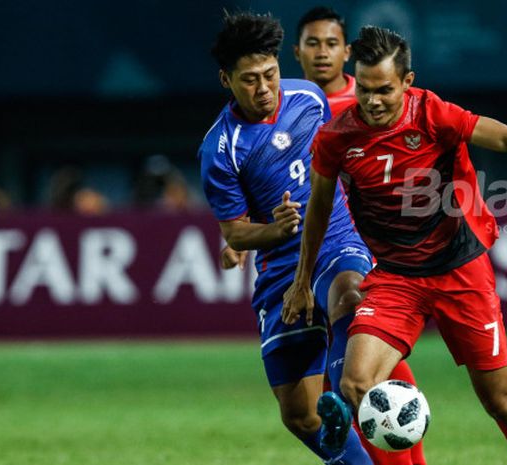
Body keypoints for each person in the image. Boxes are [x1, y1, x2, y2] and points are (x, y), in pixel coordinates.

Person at [283, 26, 507, 465]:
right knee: (354, 384)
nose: (372, 101)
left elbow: (504, 137)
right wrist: (302, 280)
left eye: (384, 90)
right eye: (364, 90)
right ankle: (353, 425)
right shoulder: (336, 139)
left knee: (500, 403)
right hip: (395, 277)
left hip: (459, 268)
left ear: (407, 82)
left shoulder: (432, 113)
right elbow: (318, 211)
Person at [199, 12, 376, 464]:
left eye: (270, 74)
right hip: (279, 267)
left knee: (348, 297)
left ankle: (344, 401)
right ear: (227, 80)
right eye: (250, 80)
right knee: (298, 414)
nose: (264, 89)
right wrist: (273, 230)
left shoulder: (310, 97)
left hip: (334, 238)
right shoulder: (222, 149)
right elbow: (235, 230)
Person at [293, 8, 425, 465]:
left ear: (346, 52)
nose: (322, 53)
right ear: (297, 53)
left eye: (331, 44)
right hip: (305, 242)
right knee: (341, 361)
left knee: (356, 326)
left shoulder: (371, 102)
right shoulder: (289, 108)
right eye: (313, 44)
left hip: (366, 242)